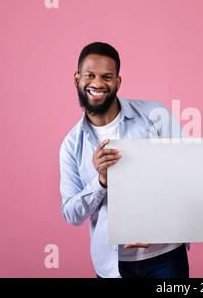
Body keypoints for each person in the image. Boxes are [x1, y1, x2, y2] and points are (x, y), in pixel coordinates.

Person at [59, 42, 188, 278]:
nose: (97, 83)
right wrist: (101, 182)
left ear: (118, 82)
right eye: (90, 75)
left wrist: (156, 223)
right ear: (77, 78)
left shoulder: (155, 116)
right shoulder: (71, 145)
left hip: (166, 257)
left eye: (107, 77)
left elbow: (188, 174)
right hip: (113, 266)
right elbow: (71, 213)